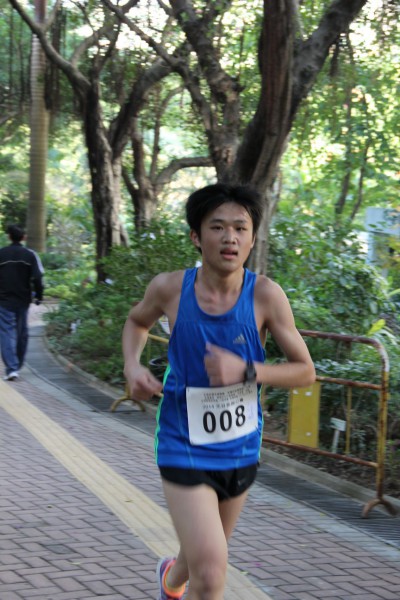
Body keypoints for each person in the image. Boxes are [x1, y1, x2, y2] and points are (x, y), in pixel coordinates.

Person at [122, 183, 315, 600]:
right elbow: (137, 322)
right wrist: (132, 365)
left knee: (202, 556)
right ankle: (181, 580)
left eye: (241, 228)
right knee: (211, 573)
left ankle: (170, 580)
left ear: (252, 239)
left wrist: (246, 370)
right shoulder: (170, 289)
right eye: (218, 227)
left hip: (240, 447)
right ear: (196, 236)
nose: (230, 238)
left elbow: (305, 371)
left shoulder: (265, 296)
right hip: (182, 442)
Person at [0, 224, 44, 381]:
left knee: (6, 332)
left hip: (4, 300)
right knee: (22, 332)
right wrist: (39, 295)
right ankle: (17, 365)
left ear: (9, 237)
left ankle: (12, 368)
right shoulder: (30, 255)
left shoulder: (1, 254)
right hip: (23, 300)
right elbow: (38, 277)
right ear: (23, 237)